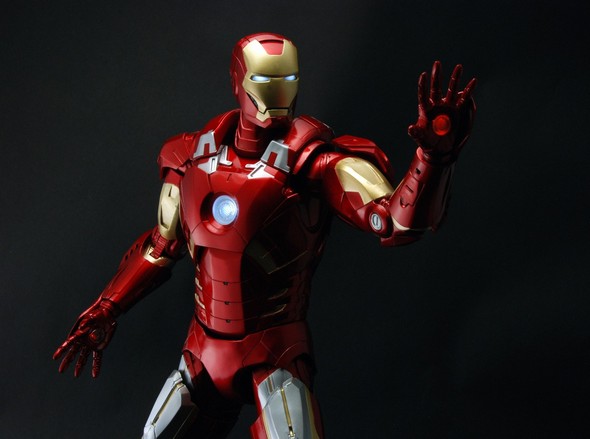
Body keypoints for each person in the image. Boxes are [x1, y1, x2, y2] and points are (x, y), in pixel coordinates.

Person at [54, 32, 476, 438]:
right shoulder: (189, 158)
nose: (276, 92)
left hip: (274, 354)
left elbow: (395, 223)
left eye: (287, 79)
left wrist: (433, 158)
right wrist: (108, 306)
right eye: (264, 79)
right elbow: (161, 247)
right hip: (203, 352)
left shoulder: (317, 164)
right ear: (238, 80)